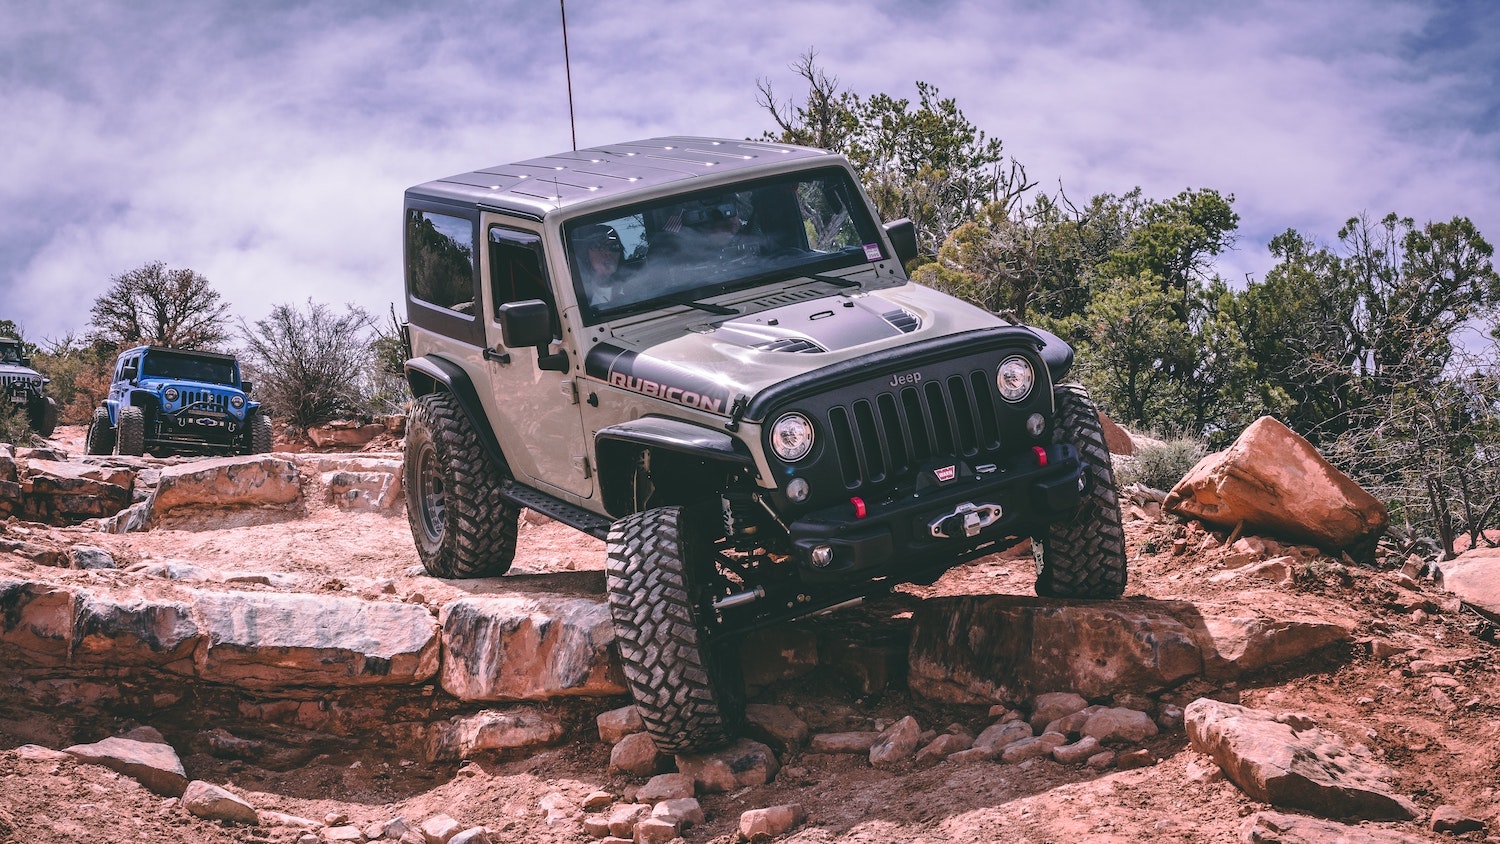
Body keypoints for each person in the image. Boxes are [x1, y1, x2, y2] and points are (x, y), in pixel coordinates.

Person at [574, 223, 627, 307]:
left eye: (613, 246)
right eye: (598, 247)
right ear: (586, 254)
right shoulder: (576, 298)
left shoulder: (636, 287)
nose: (607, 253)